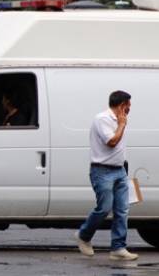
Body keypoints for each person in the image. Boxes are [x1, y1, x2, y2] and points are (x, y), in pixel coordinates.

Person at [75, 90, 138, 261]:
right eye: (129, 106)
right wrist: (122, 125)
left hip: (119, 170)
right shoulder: (102, 119)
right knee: (104, 208)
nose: (130, 109)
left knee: (122, 210)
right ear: (122, 105)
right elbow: (112, 142)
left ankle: (118, 247)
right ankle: (84, 235)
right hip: (102, 171)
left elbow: (120, 149)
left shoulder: (119, 120)